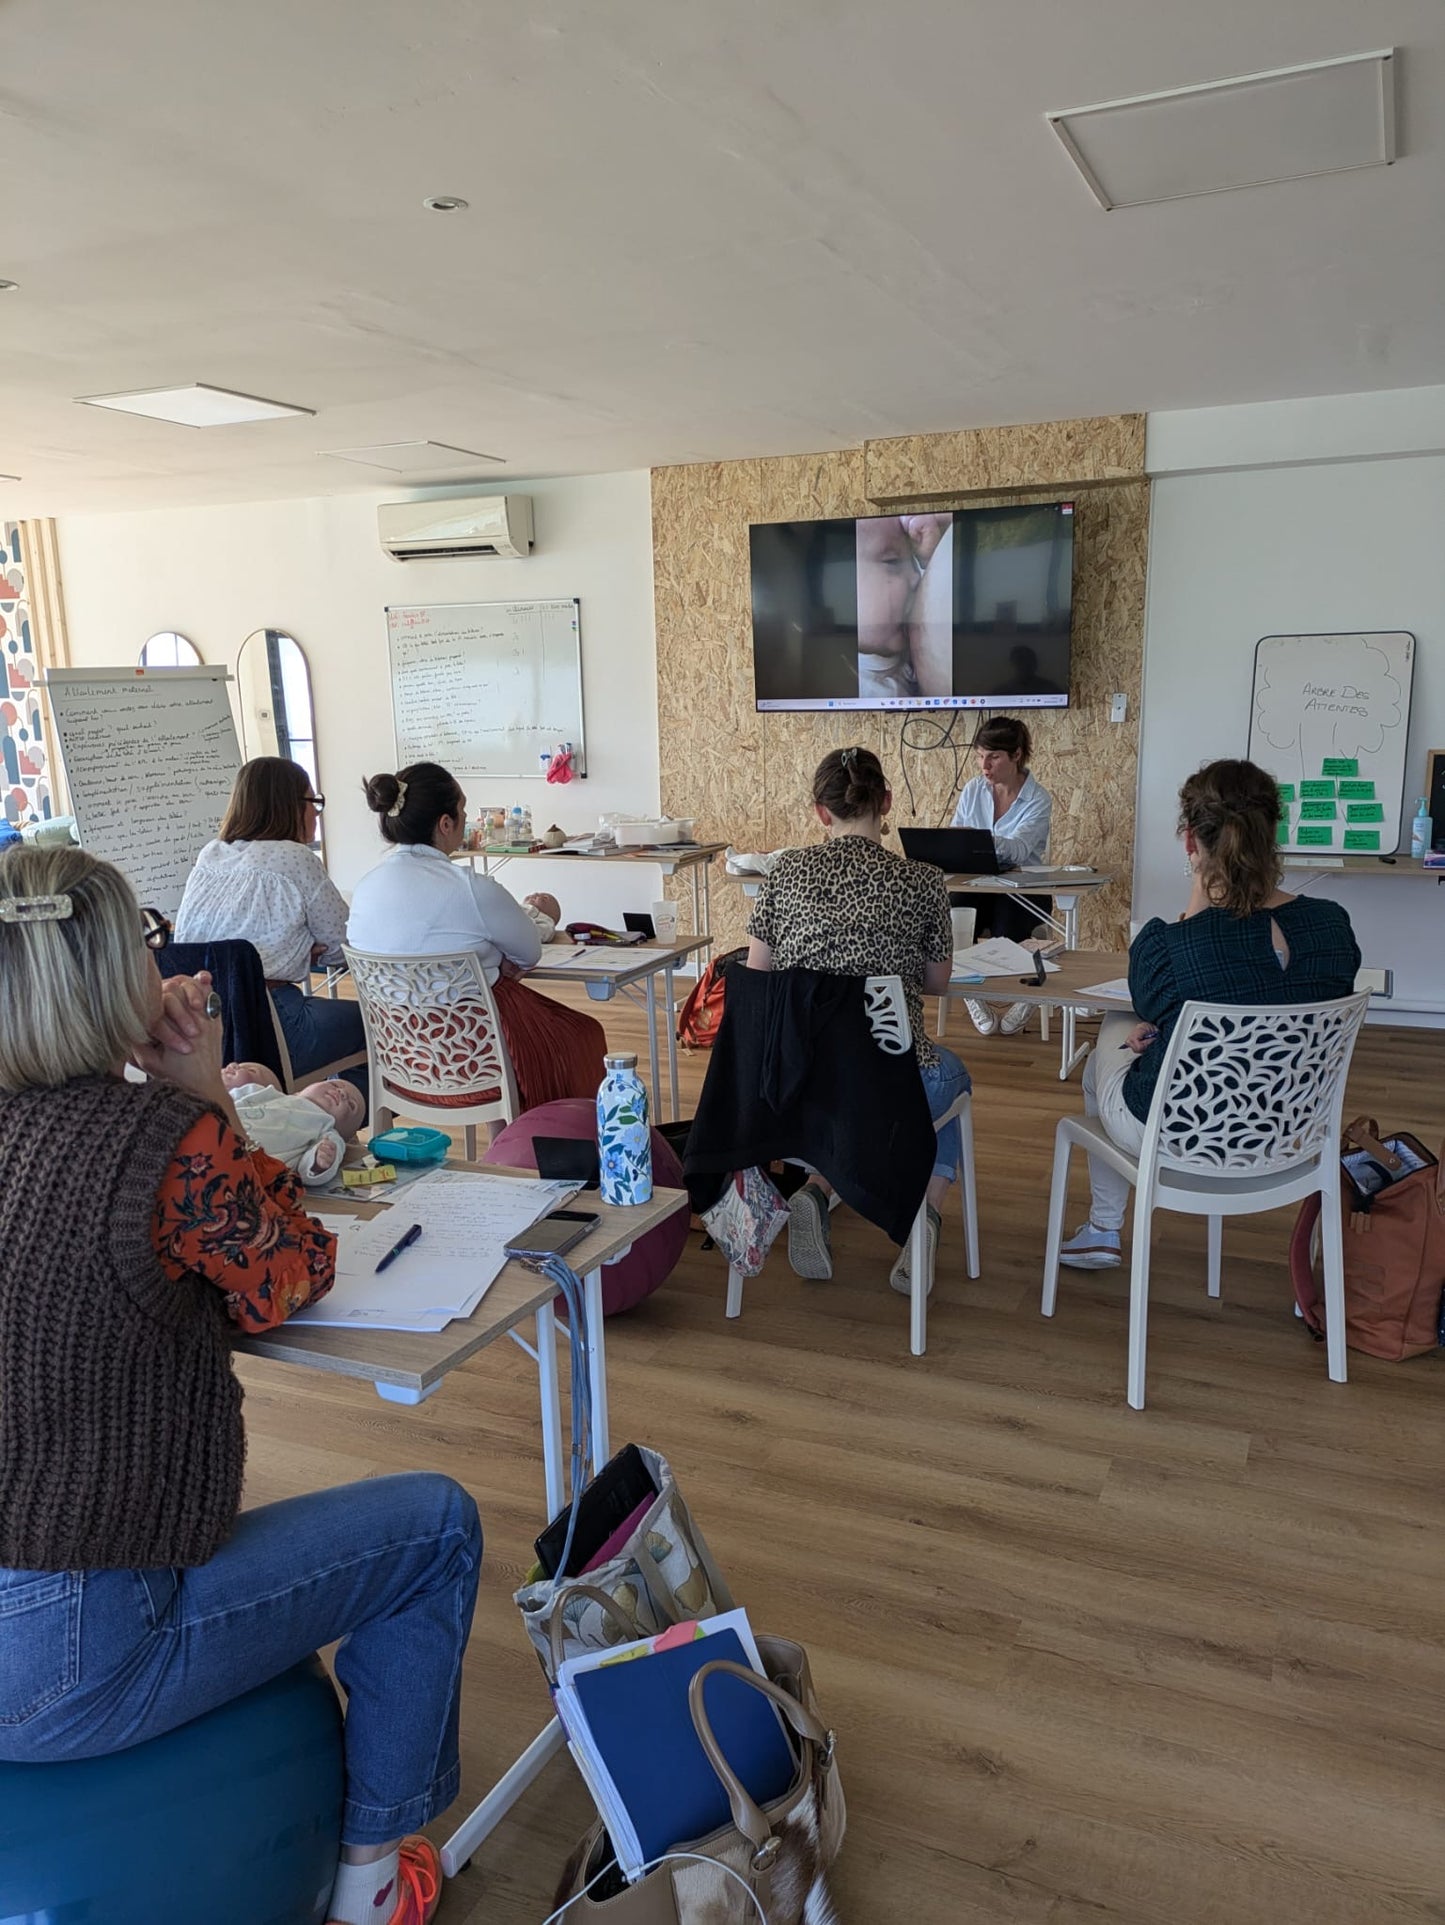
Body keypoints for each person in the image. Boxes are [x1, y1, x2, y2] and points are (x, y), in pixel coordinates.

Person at [0, 845, 481, 1925]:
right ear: (105, 974)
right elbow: (292, 1271)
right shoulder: (162, 1140)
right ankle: (371, 1880)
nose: (161, 959)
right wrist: (203, 1090)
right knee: (435, 1528)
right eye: (143, 941)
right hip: (69, 1651)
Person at [1060, 758, 1362, 1269]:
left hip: (1180, 1131)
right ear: (1273, 834)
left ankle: (1104, 1229)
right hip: (1291, 1130)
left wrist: (1199, 893)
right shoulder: (1333, 926)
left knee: (1115, 1030)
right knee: (1160, 1018)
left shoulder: (1171, 945)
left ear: (1190, 842)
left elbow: (1155, 998)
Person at [745, 745, 968, 1294]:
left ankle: (816, 1190)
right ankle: (925, 1217)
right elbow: (937, 982)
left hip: (796, 1090)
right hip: (892, 1087)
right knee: (951, 1077)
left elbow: (758, 977)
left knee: (845, 1097)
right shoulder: (922, 880)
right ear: (886, 802)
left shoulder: (782, 872)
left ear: (821, 812)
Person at [346, 762, 607, 1112]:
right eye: (463, 810)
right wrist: (498, 960)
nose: (467, 819)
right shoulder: (469, 887)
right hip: (476, 1061)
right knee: (583, 1035)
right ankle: (547, 1138)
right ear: (445, 823)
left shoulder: (365, 890)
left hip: (406, 1060)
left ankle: (507, 1134)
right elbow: (529, 953)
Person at [175, 756, 368, 1104]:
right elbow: (345, 946)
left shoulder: (211, 854)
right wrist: (301, 950)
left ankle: (302, 1118)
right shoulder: (296, 857)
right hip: (270, 1022)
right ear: (290, 805)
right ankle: (324, 1120)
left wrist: (290, 949)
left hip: (202, 1031)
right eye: (313, 802)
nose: (316, 814)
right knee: (381, 1028)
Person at [948, 715, 1054, 1038]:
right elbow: (956, 838)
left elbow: (1019, 850)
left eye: (993, 757)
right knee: (952, 915)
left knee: (1008, 930)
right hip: (978, 884)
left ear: (1016, 755)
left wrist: (978, 841)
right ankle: (971, 993)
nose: (984, 765)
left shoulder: (1038, 799)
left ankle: (1028, 997)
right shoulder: (973, 790)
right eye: (980, 756)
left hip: (1022, 889)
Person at [221, 1060, 365, 1184]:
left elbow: (308, 1171)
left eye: (351, 1105)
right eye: (334, 1085)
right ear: (301, 1090)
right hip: (220, 1133)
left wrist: (320, 1162)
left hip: (248, 1165)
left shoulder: (328, 1131)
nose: (342, 1093)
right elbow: (231, 1099)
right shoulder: (270, 1093)